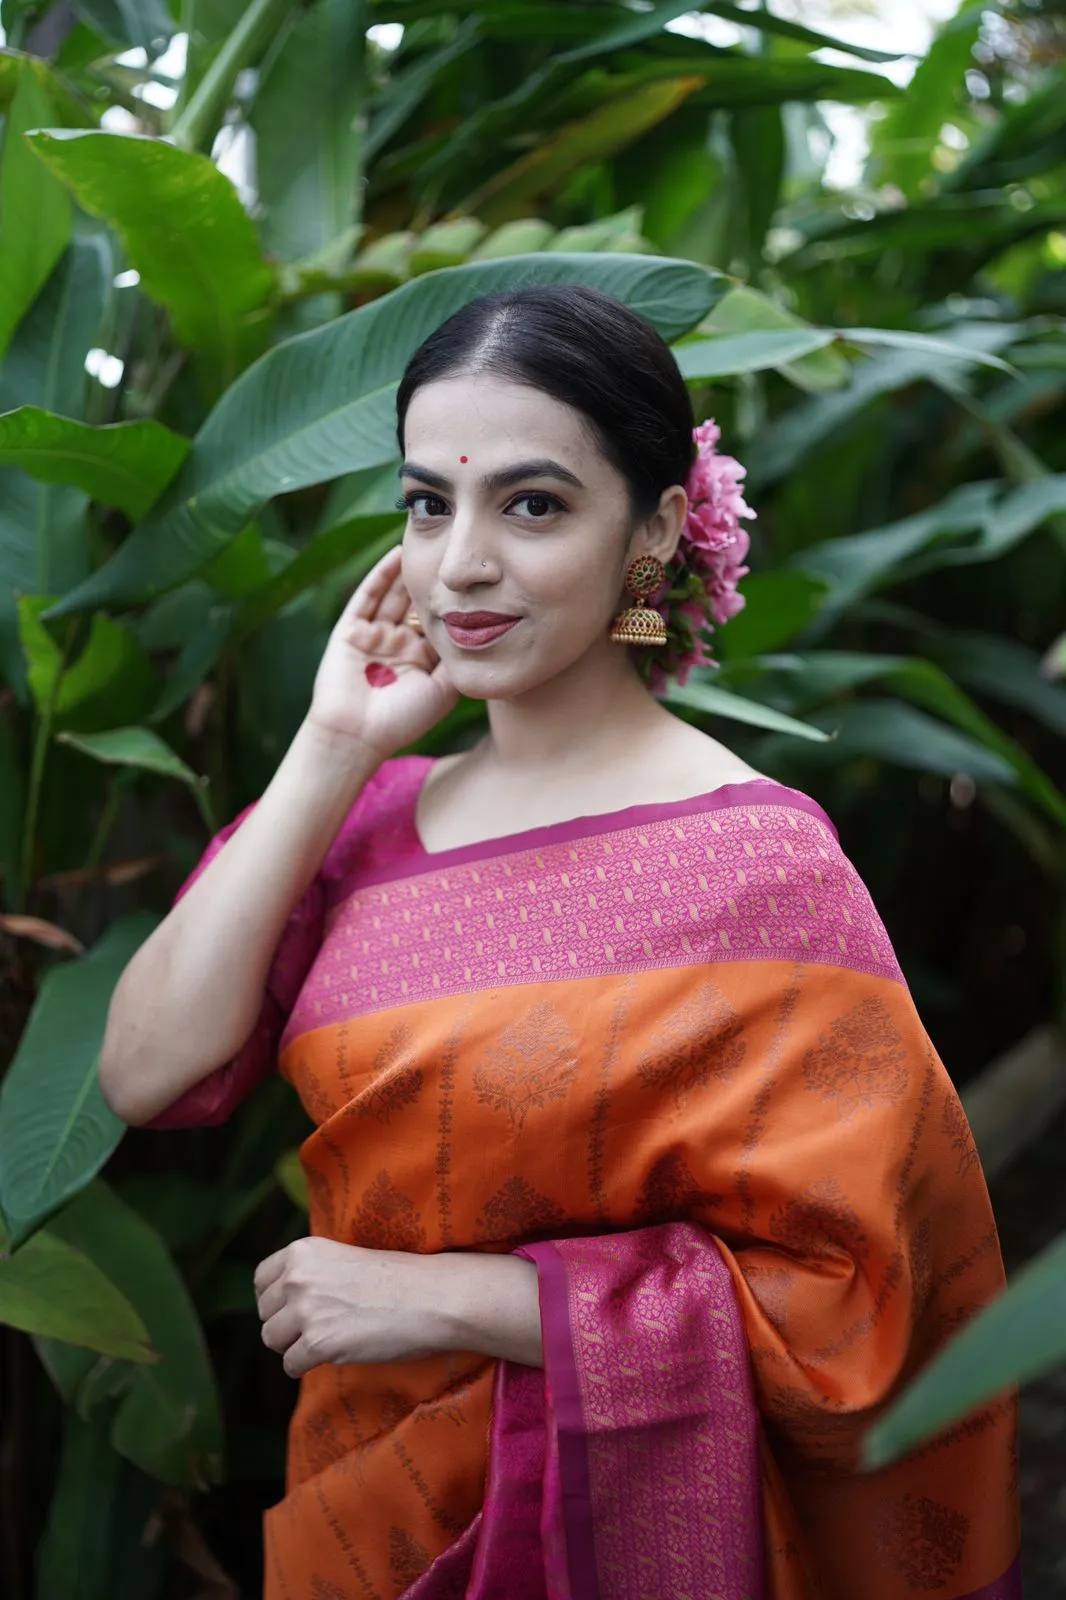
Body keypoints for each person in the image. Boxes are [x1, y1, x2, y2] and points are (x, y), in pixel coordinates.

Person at [100, 285, 1021, 1600]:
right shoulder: (352, 822)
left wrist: (469, 1302)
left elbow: (863, 1300)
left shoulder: (757, 864)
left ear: (651, 528)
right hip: (370, 1515)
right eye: (429, 503)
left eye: (530, 505)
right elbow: (144, 1072)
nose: (460, 561)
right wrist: (335, 743)